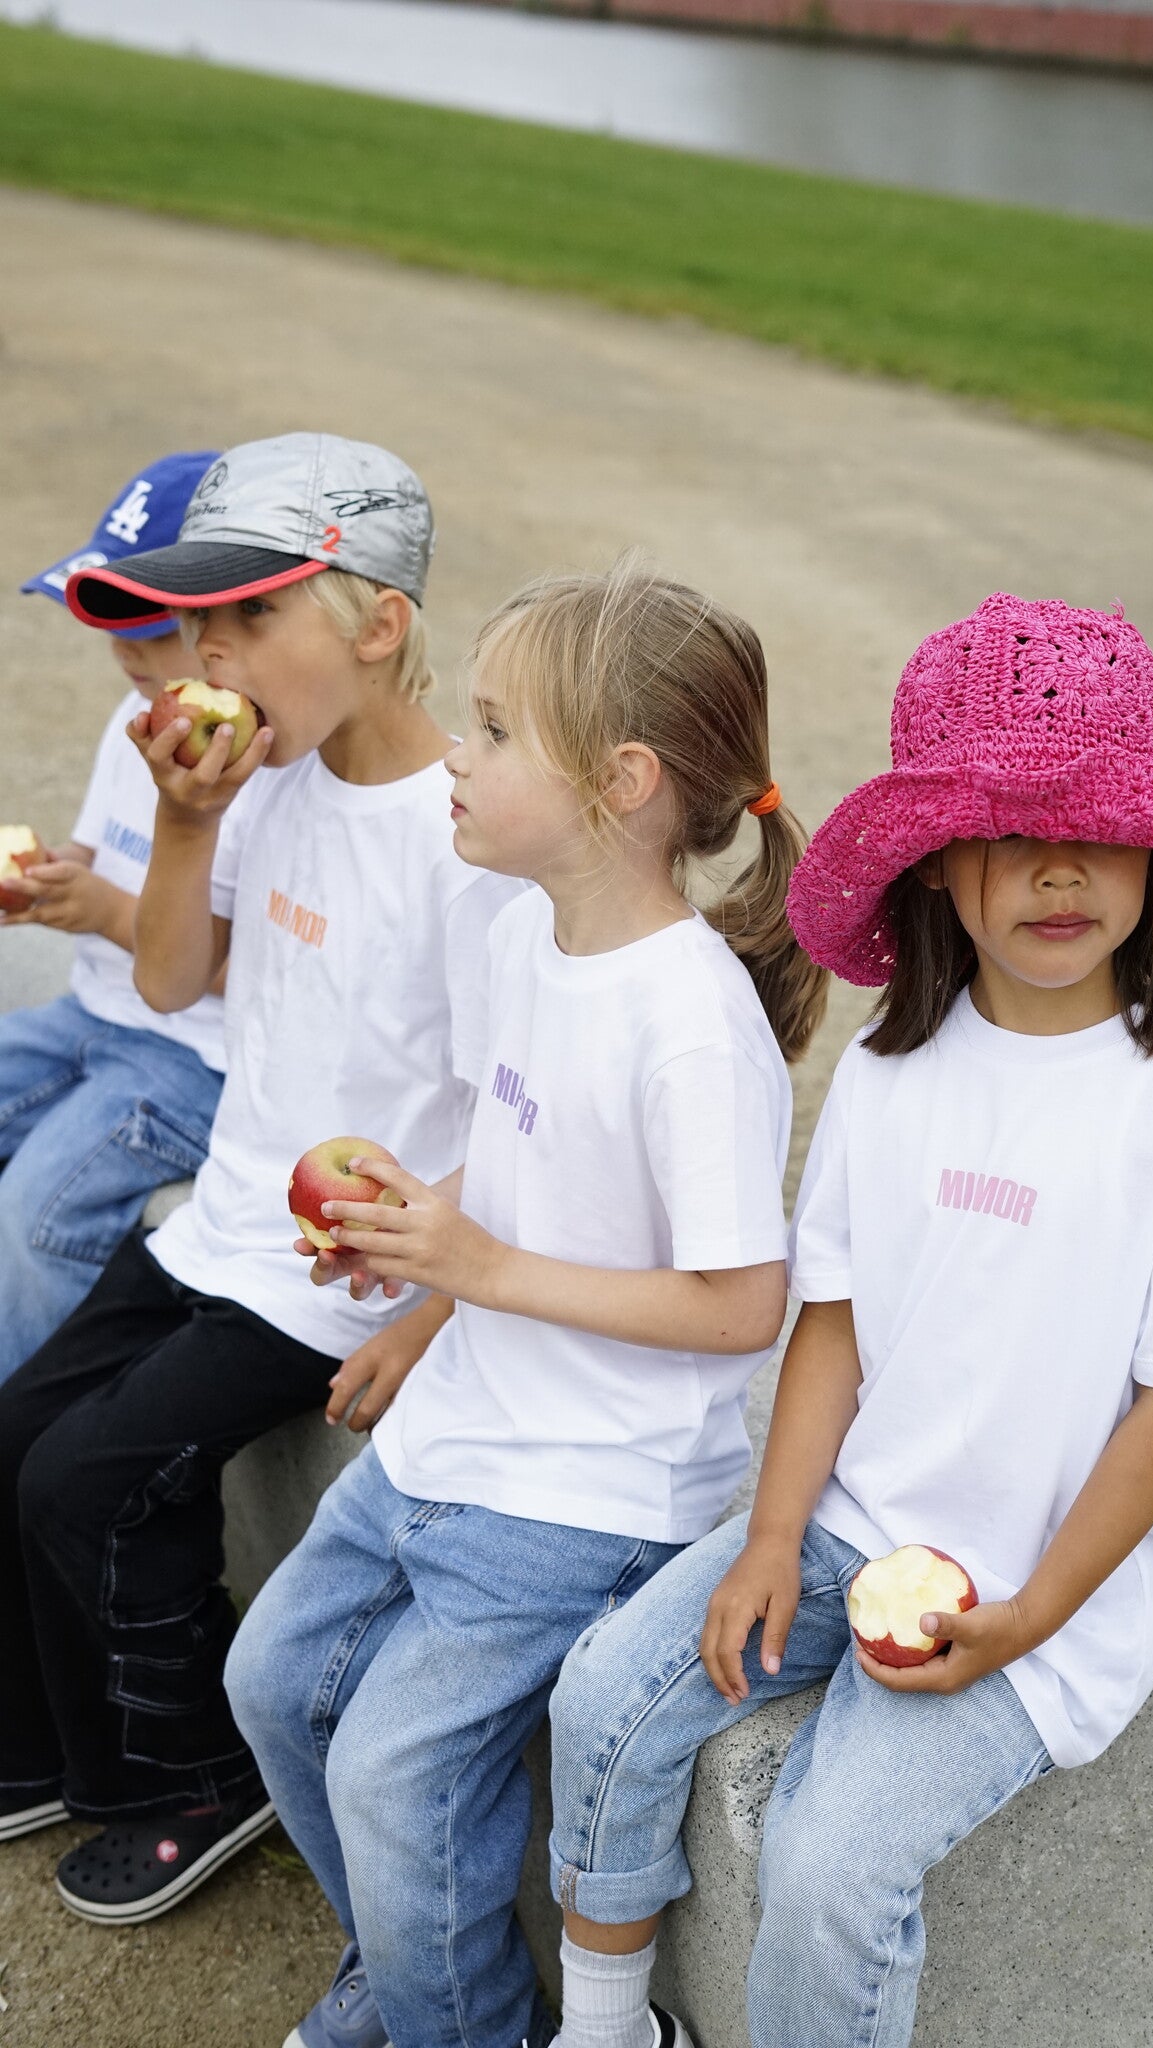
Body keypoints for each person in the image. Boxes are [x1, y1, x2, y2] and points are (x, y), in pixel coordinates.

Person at [543, 590, 1153, 2048]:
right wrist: (774, 1538)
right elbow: (830, 1323)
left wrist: (1033, 1616)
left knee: (831, 1866)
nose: (1058, 868)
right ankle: (603, 2024)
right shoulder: (896, 1076)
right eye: (1006, 830)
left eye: (1096, 824)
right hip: (852, 1526)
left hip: (1040, 1585)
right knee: (606, 1698)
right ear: (936, 869)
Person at [225, 562, 829, 2048]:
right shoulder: (514, 935)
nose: (454, 754)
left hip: (586, 1496)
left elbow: (745, 1303)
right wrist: (418, 1271)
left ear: (622, 783)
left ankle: (461, 2022)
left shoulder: (691, 1024)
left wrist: (478, 1271)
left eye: (492, 732)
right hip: (455, 1435)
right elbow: (510, 1167)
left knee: (390, 1774)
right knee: (271, 1681)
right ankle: (401, 1961)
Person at [0, 433, 519, 1928]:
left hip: (337, 1271)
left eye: (248, 621)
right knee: (18, 1427)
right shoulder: (264, 785)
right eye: (197, 625)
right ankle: (45, 1746)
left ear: (379, 624)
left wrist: (432, 1307)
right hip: (224, 1221)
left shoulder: (466, 838)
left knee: (92, 1481)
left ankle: (195, 1778)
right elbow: (171, 980)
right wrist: (185, 821)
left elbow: (518, 1106)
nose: (204, 657)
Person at [0, 450, 233, 1379]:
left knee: (38, 1210)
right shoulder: (131, 715)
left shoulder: (257, 759)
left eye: (151, 625)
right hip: (90, 1015)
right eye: (108, 619)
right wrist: (54, 881)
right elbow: (99, 855)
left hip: (193, 1059)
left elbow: (232, 970)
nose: (126, 652)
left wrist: (99, 909)